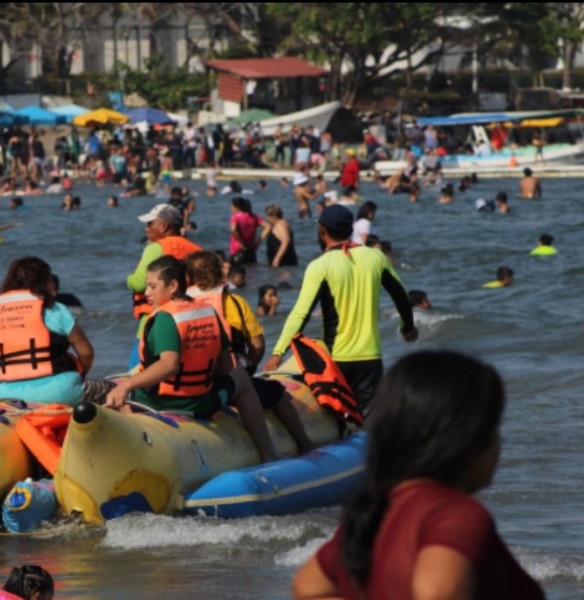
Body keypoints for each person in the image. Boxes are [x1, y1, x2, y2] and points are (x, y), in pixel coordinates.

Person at [292, 350, 545, 600]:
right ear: (465, 436)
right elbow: (437, 592)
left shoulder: (375, 515)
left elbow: (309, 587)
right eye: (493, 428)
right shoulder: (453, 514)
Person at [106, 256, 314, 461]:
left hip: (160, 402)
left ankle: (143, 451)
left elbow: (169, 364)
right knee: (240, 377)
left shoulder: (164, 318)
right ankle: (267, 452)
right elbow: (224, 367)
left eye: (152, 286)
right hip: (203, 402)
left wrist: (126, 386)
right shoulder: (208, 311)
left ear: (173, 286)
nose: (146, 292)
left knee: (117, 390)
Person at [264, 205, 417, 415]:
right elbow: (401, 296)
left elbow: (301, 313)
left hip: (337, 360)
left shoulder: (320, 265)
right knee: (366, 424)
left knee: (338, 419)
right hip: (370, 360)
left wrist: (278, 353)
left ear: (322, 231)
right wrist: (407, 326)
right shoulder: (376, 257)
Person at [0, 256, 94, 404]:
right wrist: (79, 377)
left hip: (8, 396)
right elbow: (86, 353)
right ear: (43, 282)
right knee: (113, 392)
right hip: (60, 393)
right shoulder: (56, 309)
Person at [126, 203, 202, 369]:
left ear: (164, 225)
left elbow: (139, 284)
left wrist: (129, 278)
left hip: (155, 317)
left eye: (150, 224)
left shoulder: (156, 247)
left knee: (137, 369)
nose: (146, 229)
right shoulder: (196, 250)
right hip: (189, 319)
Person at [229, 197, 263, 264]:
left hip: (238, 249)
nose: (231, 208)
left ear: (237, 207)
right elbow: (268, 226)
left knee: (237, 272)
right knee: (252, 271)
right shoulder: (254, 217)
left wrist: (240, 242)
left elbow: (233, 229)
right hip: (251, 249)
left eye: (232, 206)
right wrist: (259, 241)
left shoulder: (235, 217)